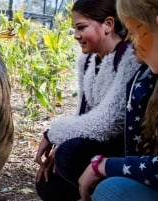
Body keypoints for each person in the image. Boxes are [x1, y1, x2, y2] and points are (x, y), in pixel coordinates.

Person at [35, 0, 141, 200]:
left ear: (108, 25)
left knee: (69, 154)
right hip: (97, 142)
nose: (76, 35)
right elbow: (83, 114)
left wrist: (52, 134)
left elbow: (107, 122)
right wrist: (58, 144)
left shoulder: (129, 57)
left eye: (81, 27)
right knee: (48, 183)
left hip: (124, 148)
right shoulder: (86, 61)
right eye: (75, 29)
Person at [78, 1, 158, 201]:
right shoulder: (144, 78)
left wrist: (104, 165)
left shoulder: (127, 62)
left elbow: (105, 121)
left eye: (134, 31)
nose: (130, 39)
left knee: (110, 190)